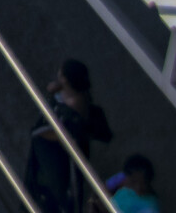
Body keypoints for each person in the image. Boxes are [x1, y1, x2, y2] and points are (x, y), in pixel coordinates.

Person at [23, 58, 113, 213]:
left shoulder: (76, 106)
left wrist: (40, 134)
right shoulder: (68, 92)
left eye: (61, 73)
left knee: (55, 195)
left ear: (66, 78)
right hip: (50, 154)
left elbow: (62, 133)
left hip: (60, 157)